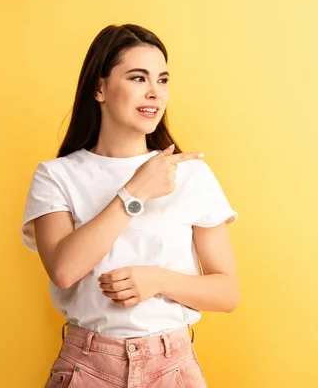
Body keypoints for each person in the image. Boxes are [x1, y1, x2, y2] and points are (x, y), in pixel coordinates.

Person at [20, 23, 239, 387]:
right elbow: (63, 270)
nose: (155, 92)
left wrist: (158, 280)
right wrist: (134, 192)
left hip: (173, 368)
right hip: (86, 368)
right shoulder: (56, 176)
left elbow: (228, 292)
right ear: (100, 88)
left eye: (163, 80)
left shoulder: (191, 174)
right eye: (139, 78)